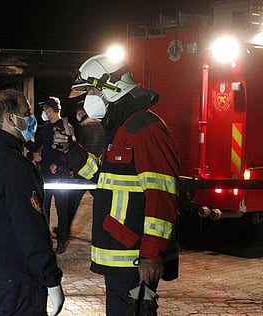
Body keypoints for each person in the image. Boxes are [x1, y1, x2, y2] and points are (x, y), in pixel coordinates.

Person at [53, 53, 180, 315]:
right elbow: (102, 176)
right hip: (122, 255)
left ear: (112, 88)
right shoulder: (123, 129)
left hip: (134, 259)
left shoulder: (144, 128)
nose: (87, 98)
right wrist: (71, 149)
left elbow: (162, 195)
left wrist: (151, 254)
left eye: (91, 90)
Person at [0, 89, 64, 316]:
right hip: (13, 281)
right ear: (9, 119)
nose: (32, 119)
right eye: (26, 113)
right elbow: (31, 230)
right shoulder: (16, 166)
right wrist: (51, 279)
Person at [32, 96, 74, 254]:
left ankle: (62, 241)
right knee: (44, 208)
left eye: (46, 109)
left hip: (61, 175)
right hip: (45, 175)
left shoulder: (66, 126)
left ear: (53, 109)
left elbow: (71, 149)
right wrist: (35, 154)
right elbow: (36, 146)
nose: (45, 112)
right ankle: (45, 239)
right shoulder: (45, 129)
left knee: (62, 209)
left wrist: (57, 163)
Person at [66, 102, 107, 230]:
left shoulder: (84, 126)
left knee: (73, 202)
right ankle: (107, 227)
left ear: (82, 111)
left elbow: (78, 148)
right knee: (102, 202)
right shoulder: (102, 124)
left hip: (84, 168)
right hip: (98, 169)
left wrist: (72, 168)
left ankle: (65, 228)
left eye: (78, 111)